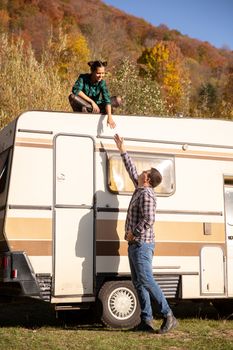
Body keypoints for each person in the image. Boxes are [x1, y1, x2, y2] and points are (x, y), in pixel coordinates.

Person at [113, 134, 178, 334]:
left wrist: (133, 233)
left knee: (146, 279)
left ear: (148, 179)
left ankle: (168, 315)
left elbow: (149, 220)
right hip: (135, 245)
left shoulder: (148, 195)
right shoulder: (140, 188)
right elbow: (131, 169)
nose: (141, 172)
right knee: (138, 282)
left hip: (141, 244)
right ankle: (146, 321)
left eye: (145, 171)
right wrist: (122, 149)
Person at [69, 60, 122, 129]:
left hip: (97, 106)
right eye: (98, 73)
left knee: (118, 100)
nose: (101, 76)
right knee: (72, 96)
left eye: (103, 73)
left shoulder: (102, 83)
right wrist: (92, 102)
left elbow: (107, 100)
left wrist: (109, 117)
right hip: (85, 104)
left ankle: (93, 111)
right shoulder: (83, 77)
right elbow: (76, 90)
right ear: (92, 71)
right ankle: (88, 110)